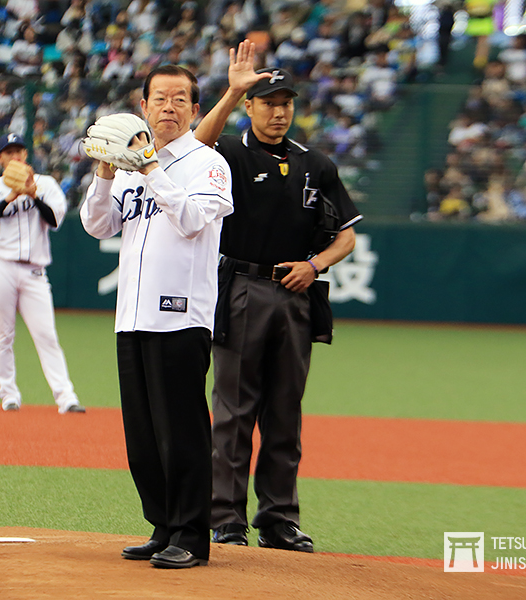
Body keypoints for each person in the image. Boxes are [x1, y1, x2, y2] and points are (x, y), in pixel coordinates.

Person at [194, 42, 362, 552]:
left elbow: (347, 235)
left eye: (286, 102)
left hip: (296, 296)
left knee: (285, 412)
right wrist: (232, 88)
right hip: (241, 287)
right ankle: (226, 519)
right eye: (268, 101)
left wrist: (316, 265)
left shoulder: (317, 164)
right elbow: (193, 148)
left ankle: (279, 519)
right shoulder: (228, 154)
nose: (279, 110)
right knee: (234, 410)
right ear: (250, 106)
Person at [79, 65, 234, 569]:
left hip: (182, 317)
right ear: (142, 107)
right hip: (133, 317)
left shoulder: (207, 164)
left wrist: (150, 167)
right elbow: (97, 224)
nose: (168, 106)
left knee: (182, 431)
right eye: (159, 98)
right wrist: (106, 172)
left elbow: (191, 221)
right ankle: (163, 525)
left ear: (194, 110)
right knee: (143, 436)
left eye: (179, 99)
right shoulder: (125, 168)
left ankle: (191, 535)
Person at [0, 133, 85, 415]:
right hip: (0, 266)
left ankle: (66, 397)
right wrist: (11, 196)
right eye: (8, 152)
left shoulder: (45, 184)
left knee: (46, 334)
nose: (15, 157)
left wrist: (33, 194)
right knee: (3, 335)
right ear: (0, 159)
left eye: (19, 151)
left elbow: (55, 219)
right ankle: (9, 394)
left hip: (34, 270)